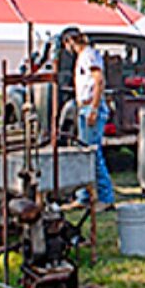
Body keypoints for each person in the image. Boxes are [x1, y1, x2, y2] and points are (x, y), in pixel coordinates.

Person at [62, 27, 115, 212]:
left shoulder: (89, 55)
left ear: (70, 41)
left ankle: (106, 197)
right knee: (84, 153)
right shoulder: (83, 56)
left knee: (93, 154)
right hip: (84, 106)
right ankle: (83, 196)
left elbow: (99, 81)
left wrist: (93, 108)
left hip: (91, 106)